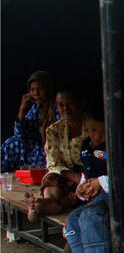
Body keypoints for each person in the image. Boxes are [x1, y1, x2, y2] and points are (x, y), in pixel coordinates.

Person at [62, 107, 124, 253]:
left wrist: (101, 182)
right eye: (92, 130)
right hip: (97, 200)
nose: (97, 136)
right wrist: (82, 189)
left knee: (90, 216)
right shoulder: (86, 147)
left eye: (102, 131)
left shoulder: (119, 147)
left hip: (120, 198)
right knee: (72, 221)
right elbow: (87, 175)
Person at [26, 90, 85, 220]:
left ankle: (46, 206)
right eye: (60, 105)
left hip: (88, 173)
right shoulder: (54, 130)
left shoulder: (92, 126)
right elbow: (53, 163)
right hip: (66, 174)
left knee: (84, 188)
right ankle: (49, 201)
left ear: (81, 104)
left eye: (69, 104)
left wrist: (80, 178)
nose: (65, 109)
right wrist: (73, 176)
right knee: (51, 178)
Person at [1, 70, 58, 172]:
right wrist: (22, 109)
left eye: (40, 89)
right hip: (35, 147)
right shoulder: (36, 107)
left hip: (52, 147)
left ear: (48, 89)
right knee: (12, 142)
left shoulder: (58, 106)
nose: (35, 93)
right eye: (32, 89)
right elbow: (20, 134)